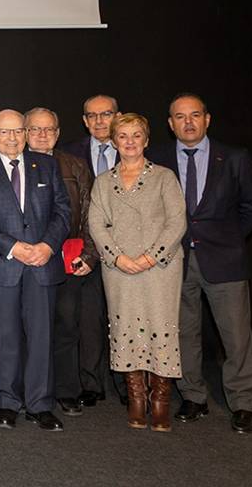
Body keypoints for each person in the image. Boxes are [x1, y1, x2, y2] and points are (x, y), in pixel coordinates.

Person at [149, 94, 252, 434]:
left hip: (224, 261)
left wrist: (228, 239)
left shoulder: (234, 158)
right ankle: (193, 396)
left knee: (236, 336)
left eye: (195, 115)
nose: (188, 122)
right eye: (180, 117)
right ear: (170, 124)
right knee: (183, 333)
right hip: (175, 261)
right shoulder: (156, 158)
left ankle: (243, 403)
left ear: (207, 119)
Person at [87, 113, 187, 432]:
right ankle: (136, 401)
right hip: (118, 270)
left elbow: (177, 222)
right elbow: (96, 224)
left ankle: (160, 403)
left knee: (161, 326)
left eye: (136, 135)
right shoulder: (104, 182)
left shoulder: (164, 177)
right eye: (123, 136)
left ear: (146, 140)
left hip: (160, 267)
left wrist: (149, 257)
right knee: (126, 326)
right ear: (114, 141)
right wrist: (117, 258)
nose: (129, 142)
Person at [0, 109, 70, 432]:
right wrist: (14, 247)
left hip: (43, 264)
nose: (13, 138)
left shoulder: (46, 164)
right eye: (5, 132)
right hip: (3, 263)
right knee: (4, 338)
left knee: (42, 336)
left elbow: (63, 211)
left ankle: (41, 404)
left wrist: (47, 246)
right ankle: (7, 402)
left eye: (18, 131)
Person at [25, 107, 105, 416]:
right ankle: (31, 387)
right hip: (27, 258)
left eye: (49, 129)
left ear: (58, 133)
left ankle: (66, 389)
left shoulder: (75, 166)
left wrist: (89, 254)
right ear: (25, 132)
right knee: (30, 327)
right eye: (35, 129)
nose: (42, 135)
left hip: (68, 257)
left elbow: (91, 216)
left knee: (67, 324)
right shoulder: (14, 165)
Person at [64, 94, 119, 176]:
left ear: (118, 117)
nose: (99, 121)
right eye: (92, 116)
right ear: (85, 121)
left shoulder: (135, 150)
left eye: (106, 114)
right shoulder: (68, 153)